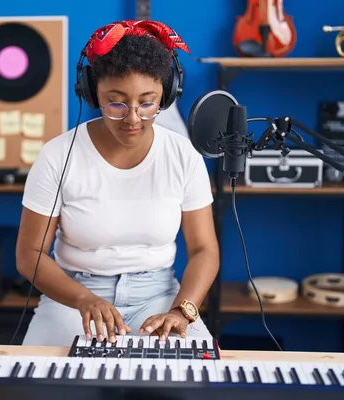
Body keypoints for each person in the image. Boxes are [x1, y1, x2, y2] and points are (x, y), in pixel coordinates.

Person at [15, 19, 219, 347]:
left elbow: (204, 250)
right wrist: (83, 299)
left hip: (161, 298)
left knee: (198, 382)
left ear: (167, 93)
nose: (133, 118)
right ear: (92, 92)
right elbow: (30, 253)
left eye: (148, 102)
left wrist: (182, 311)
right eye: (116, 102)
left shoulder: (183, 155)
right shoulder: (57, 156)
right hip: (73, 298)